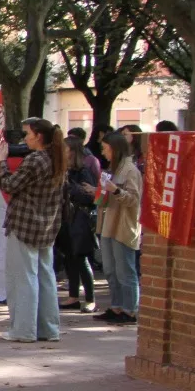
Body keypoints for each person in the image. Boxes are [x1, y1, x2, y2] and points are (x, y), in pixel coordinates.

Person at [0, 117, 68, 343]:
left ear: (38, 135)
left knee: (23, 278)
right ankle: (48, 328)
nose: (24, 138)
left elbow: (9, 185)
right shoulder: (57, 158)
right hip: (47, 224)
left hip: (26, 223)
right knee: (45, 277)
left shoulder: (36, 159)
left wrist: (2, 162)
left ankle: (23, 329)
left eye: (27, 133)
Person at [91, 128, 142, 326]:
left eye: (105, 148)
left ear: (115, 149)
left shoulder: (131, 171)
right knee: (111, 270)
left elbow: (134, 200)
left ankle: (130, 310)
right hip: (107, 225)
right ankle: (117, 306)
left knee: (125, 271)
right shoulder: (115, 169)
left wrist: (116, 190)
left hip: (122, 226)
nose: (103, 152)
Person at [56, 135, 99, 313]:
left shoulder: (82, 171)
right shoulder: (61, 170)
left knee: (81, 259)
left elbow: (89, 196)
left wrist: (70, 186)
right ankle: (73, 296)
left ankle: (90, 299)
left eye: (64, 149)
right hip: (64, 217)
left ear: (72, 151)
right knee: (68, 258)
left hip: (79, 218)